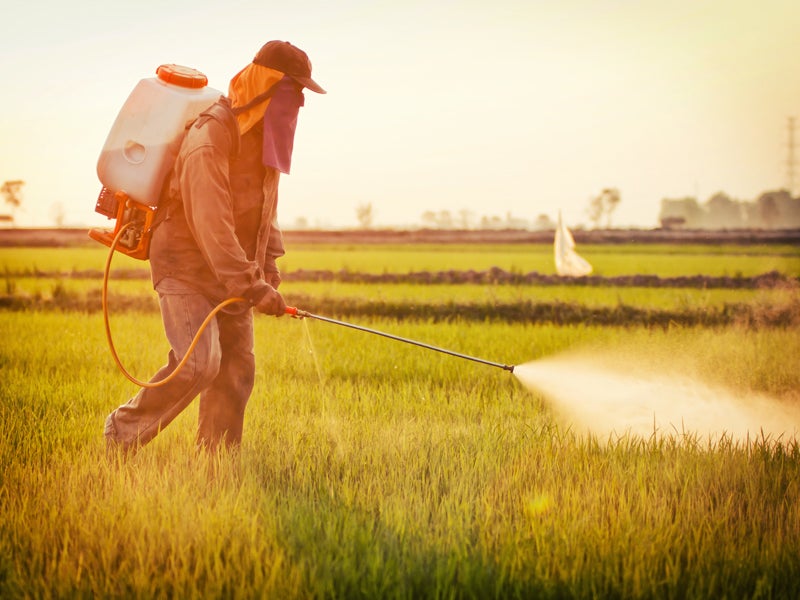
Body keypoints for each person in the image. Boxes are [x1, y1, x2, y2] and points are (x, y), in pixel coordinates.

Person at [104, 40, 325, 452]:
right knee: (198, 365)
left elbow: (266, 206)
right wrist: (252, 284)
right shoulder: (212, 134)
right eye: (293, 91)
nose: (298, 104)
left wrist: (269, 262)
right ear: (266, 84)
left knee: (237, 369)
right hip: (185, 264)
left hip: (233, 271)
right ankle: (121, 434)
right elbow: (212, 223)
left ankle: (215, 463)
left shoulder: (265, 135)